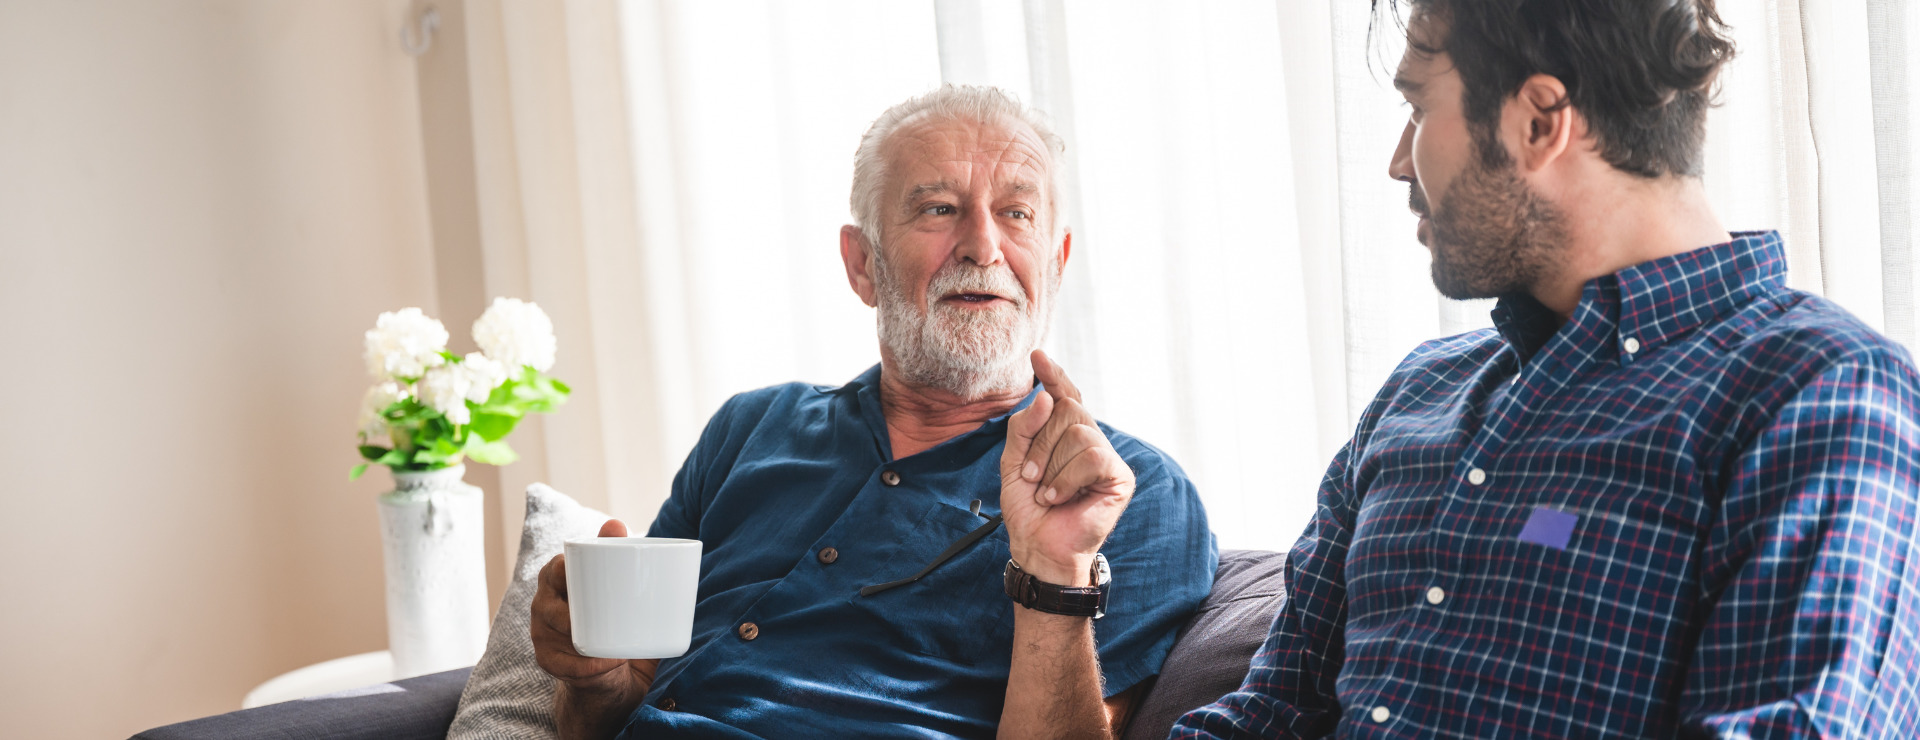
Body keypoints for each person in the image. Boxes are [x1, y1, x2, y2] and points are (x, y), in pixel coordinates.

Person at [1174, 1, 1920, 738]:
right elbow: (1266, 713)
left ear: (1538, 121)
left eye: (1418, 107)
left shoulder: (1824, 392)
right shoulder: (1418, 393)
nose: (1399, 162)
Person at [530, 85, 1216, 739]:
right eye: (939, 209)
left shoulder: (1128, 494)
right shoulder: (749, 429)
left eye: (1018, 213)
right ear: (862, 264)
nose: (983, 246)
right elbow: (611, 712)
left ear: (1057, 264)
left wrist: (1054, 572)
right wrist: (591, 681)